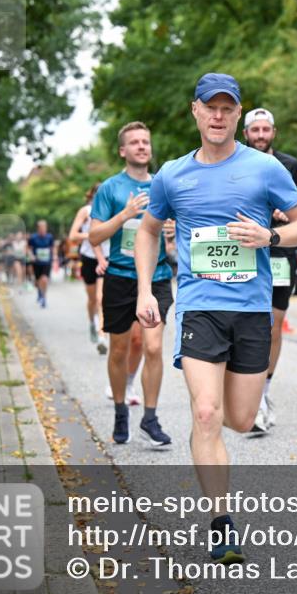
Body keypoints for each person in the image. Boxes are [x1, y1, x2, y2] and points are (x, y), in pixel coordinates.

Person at [135, 73, 297, 563]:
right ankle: (221, 523)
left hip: (252, 311)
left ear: (239, 114)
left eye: (227, 108)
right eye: (209, 107)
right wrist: (145, 291)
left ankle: (217, 449)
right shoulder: (172, 174)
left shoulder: (264, 169)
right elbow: (148, 232)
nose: (218, 116)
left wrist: (270, 238)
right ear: (194, 110)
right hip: (199, 307)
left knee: (239, 418)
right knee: (206, 412)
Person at [89, 121, 174, 447]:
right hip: (120, 278)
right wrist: (124, 215)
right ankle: (121, 411)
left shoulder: (163, 188)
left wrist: (170, 233)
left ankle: (150, 418)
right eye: (134, 142)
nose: (141, 146)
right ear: (123, 150)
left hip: (158, 277)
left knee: (152, 346)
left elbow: (176, 231)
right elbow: (94, 235)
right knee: (120, 349)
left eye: (145, 141)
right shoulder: (110, 188)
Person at [242, 107, 297, 433]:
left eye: (265, 130)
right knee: (248, 324)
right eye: (255, 130)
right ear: (245, 133)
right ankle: (250, 395)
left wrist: (289, 212)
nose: (260, 135)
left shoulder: (289, 166)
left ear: (274, 132)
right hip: (244, 254)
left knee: (273, 326)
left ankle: (263, 391)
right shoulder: (236, 164)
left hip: (280, 253)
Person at [69, 184, 112, 354]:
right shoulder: (85, 211)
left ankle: (102, 336)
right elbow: (72, 236)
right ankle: (92, 324)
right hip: (88, 258)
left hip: (107, 258)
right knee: (92, 300)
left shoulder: (113, 210)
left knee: (102, 299)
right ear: (93, 196)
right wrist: (93, 234)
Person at [27, 220, 55, 307]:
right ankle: (40, 292)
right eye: (41, 227)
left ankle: (44, 297)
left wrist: (55, 256)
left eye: (45, 227)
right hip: (37, 262)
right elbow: (28, 248)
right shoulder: (33, 237)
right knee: (38, 280)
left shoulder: (50, 237)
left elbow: (52, 247)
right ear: (38, 228)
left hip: (47, 261)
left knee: (45, 279)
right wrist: (31, 255)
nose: (43, 229)